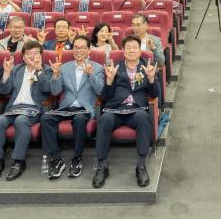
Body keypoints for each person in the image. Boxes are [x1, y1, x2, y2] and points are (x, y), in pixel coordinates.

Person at [93, 36, 158, 189]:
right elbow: (105, 96)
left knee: (143, 118)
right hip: (115, 109)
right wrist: (109, 81)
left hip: (137, 110)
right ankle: (102, 166)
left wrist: (151, 79)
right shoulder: (114, 67)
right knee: (104, 119)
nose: (131, 50)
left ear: (140, 50)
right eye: (128, 47)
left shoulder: (147, 66)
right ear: (123, 50)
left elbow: (155, 95)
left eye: (135, 47)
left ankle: (141, 166)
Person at [42, 36, 105, 179]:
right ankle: (56, 159)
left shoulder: (98, 68)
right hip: (66, 107)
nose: (79, 50)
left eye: (83, 47)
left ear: (89, 50)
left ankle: (77, 158)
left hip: (85, 108)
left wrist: (91, 75)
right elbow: (56, 92)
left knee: (79, 118)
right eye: (76, 47)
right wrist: (56, 75)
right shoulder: (64, 67)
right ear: (72, 49)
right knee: (46, 118)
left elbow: (101, 91)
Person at [0, 40, 53, 181]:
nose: (32, 57)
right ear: (23, 57)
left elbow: (47, 89)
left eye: (36, 53)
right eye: (28, 54)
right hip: (13, 108)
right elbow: (4, 91)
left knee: (21, 120)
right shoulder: (16, 69)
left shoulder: (47, 69)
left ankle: (19, 161)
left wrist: (39, 71)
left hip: (32, 109)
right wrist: (6, 73)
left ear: (41, 56)